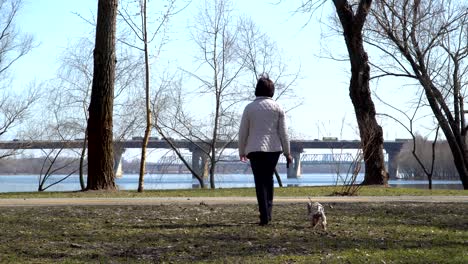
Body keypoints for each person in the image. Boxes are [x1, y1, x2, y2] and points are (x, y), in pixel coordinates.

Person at [238, 74, 292, 226]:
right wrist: (287, 153)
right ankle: (268, 213)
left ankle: (264, 216)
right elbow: (284, 132)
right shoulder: (278, 107)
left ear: (257, 90)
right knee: (269, 180)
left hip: (254, 149)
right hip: (273, 149)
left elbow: (243, 132)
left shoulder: (249, 108)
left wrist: (241, 150)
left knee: (259, 181)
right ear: (271, 91)